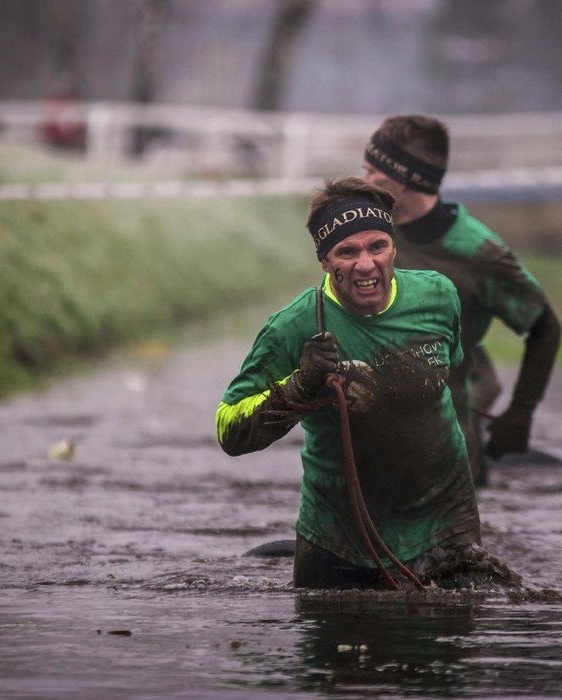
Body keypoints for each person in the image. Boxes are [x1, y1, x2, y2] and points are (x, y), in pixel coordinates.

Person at [216, 177, 519, 590]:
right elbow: (228, 430)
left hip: (445, 525)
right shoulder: (295, 325)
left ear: (394, 248)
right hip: (338, 538)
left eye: (377, 246)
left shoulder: (439, 296)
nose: (365, 264)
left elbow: (452, 370)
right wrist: (300, 384)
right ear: (325, 262)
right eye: (347, 251)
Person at [361, 115, 562, 486]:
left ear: (405, 178)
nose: (363, 180)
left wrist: (520, 414)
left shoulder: (478, 254)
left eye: (373, 171)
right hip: (366, 443)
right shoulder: (363, 229)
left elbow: (545, 328)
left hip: (447, 453)